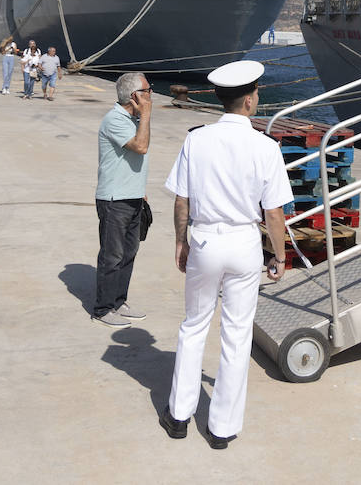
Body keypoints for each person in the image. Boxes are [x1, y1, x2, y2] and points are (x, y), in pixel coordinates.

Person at [161, 60, 292, 449]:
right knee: (237, 335)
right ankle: (221, 429)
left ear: (220, 99)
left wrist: (180, 240)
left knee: (194, 326)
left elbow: (182, 197)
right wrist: (280, 257)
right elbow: (273, 213)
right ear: (250, 99)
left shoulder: (196, 139)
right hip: (244, 245)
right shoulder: (266, 146)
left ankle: (180, 416)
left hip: (204, 242)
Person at [93, 72, 152, 328]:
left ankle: (118, 301)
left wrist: (141, 191)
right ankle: (103, 309)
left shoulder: (131, 118)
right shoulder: (115, 119)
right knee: (112, 255)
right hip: (115, 200)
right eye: (148, 90)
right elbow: (140, 147)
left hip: (132, 197)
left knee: (129, 253)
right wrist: (146, 115)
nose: (151, 94)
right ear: (135, 96)